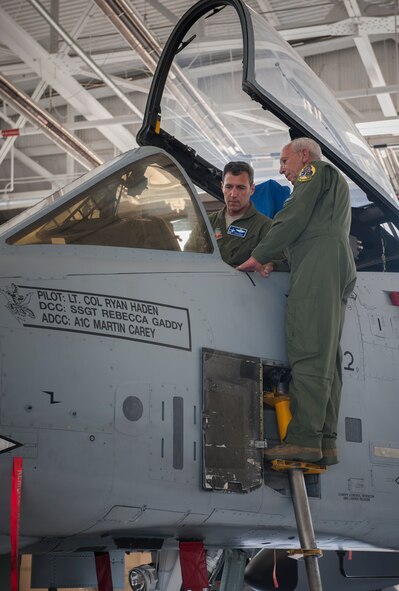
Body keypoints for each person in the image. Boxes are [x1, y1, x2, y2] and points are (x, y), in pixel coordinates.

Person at [238, 138, 357, 465]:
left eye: (284, 160)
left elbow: (292, 216)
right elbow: (305, 231)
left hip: (321, 265)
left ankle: (303, 440)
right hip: (328, 263)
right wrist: (276, 261)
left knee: (309, 349)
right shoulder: (328, 189)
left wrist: (257, 255)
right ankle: (326, 441)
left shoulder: (315, 170)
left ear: (303, 155)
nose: (281, 170)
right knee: (328, 356)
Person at [186, 161, 278, 271]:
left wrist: (271, 265)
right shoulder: (207, 224)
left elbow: (283, 263)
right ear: (222, 187)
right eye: (229, 187)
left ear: (252, 189)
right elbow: (187, 259)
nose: (233, 194)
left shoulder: (266, 227)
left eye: (240, 188)